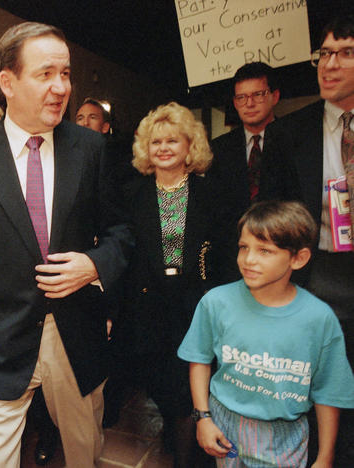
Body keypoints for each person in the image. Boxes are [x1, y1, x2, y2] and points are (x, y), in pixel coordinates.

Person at [0, 21, 133, 468]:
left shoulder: (92, 149)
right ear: (8, 82)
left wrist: (94, 265)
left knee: (84, 450)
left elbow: (121, 232)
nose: (60, 87)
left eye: (65, 73)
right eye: (45, 74)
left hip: (76, 336)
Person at [178, 200, 354, 467]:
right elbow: (199, 359)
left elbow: (328, 392)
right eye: (243, 247)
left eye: (265, 251)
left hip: (284, 436)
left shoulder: (319, 319)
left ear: (298, 258)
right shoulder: (216, 302)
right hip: (223, 424)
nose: (249, 260)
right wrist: (203, 418)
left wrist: (326, 456)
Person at [261, 15, 354, 463]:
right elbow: (275, 214)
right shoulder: (288, 133)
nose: (329, 65)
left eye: (346, 53)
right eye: (324, 54)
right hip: (314, 277)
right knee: (315, 390)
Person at [120, 102, 230, 467]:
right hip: (146, 308)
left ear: (190, 146)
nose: (163, 148)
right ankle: (174, 431)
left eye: (172, 141)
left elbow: (227, 252)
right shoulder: (131, 194)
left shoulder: (212, 193)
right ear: (146, 150)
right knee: (161, 386)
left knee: (186, 391)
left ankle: (187, 456)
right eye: (156, 142)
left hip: (195, 306)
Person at [209, 62, 280, 240]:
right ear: (235, 102)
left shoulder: (294, 140)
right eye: (241, 97)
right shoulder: (218, 149)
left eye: (258, 94)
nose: (249, 103)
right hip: (233, 251)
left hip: (282, 244)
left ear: (275, 96)